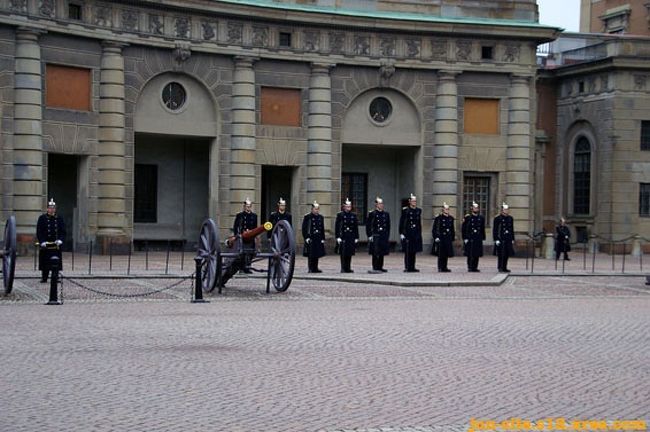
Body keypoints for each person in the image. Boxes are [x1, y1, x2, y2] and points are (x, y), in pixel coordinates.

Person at [36, 198, 66, 283]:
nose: (52, 209)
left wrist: (60, 240)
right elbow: (39, 231)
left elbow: (63, 231)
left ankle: (55, 277)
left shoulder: (59, 218)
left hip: (55, 244)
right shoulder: (42, 218)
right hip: (46, 244)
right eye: (50, 208)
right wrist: (42, 241)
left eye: (53, 208)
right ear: (47, 209)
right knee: (45, 262)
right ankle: (44, 277)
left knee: (56, 262)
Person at [233, 197, 258, 273]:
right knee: (242, 252)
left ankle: (248, 267)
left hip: (251, 236)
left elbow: (255, 227)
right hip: (242, 236)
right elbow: (236, 226)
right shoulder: (240, 215)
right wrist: (236, 235)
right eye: (247, 206)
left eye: (249, 206)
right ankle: (241, 268)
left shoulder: (254, 216)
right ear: (244, 207)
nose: (248, 208)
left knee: (251, 252)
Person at [399, 193, 423, 272]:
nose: (414, 203)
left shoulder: (418, 211)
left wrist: (419, 233)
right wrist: (401, 233)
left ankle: (413, 266)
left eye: (415, 201)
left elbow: (418, 223)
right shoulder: (406, 210)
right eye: (413, 201)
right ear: (409, 202)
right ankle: (407, 267)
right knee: (408, 251)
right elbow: (402, 222)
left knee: (414, 251)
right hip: (408, 232)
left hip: (415, 233)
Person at [366, 196, 390, 273]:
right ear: (376, 204)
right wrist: (369, 235)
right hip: (376, 235)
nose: (381, 205)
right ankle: (375, 267)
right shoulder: (372, 214)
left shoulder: (386, 214)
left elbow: (388, 226)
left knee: (382, 251)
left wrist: (387, 235)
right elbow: (369, 225)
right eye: (380, 203)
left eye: (382, 203)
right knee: (375, 252)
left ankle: (380, 266)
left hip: (383, 234)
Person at [335, 198, 359, 273]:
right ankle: (343, 268)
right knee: (343, 253)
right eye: (347, 206)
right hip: (343, 235)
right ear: (344, 207)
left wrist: (356, 237)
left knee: (349, 252)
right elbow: (337, 226)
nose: (349, 207)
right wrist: (338, 236)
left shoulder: (353, 215)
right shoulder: (340, 215)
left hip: (351, 235)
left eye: (350, 206)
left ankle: (348, 268)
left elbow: (355, 227)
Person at [302, 201, 326, 273]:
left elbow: (322, 228)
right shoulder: (308, 217)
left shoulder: (320, 217)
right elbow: (304, 228)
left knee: (317, 253)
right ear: (312, 209)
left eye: (318, 209)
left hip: (318, 237)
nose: (316, 210)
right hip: (311, 237)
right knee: (311, 254)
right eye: (315, 209)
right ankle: (310, 268)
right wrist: (306, 237)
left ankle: (315, 268)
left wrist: (323, 238)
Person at [461, 201, 486, 272]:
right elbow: (464, 228)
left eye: (477, 208)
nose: (476, 209)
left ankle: (475, 267)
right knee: (470, 254)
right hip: (470, 238)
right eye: (475, 208)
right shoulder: (468, 217)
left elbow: (482, 228)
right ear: (472, 208)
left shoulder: (481, 218)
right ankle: (470, 267)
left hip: (477, 238)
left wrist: (483, 237)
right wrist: (465, 238)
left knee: (477, 253)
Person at [432, 202, 455, 272]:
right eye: (445, 209)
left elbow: (452, 229)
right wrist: (436, 237)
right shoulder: (439, 218)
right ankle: (440, 267)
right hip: (441, 238)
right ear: (443, 210)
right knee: (441, 254)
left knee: (446, 253)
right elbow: (435, 228)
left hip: (448, 238)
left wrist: (453, 237)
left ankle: (445, 267)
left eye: (448, 209)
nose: (447, 210)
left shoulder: (451, 218)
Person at [493, 202, 515, 273]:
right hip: (501, 238)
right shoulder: (497, 218)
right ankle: (500, 267)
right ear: (502, 210)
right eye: (505, 209)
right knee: (501, 254)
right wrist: (496, 239)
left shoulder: (510, 218)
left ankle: (505, 267)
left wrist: (512, 238)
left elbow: (512, 229)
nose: (506, 211)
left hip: (508, 238)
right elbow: (495, 229)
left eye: (507, 209)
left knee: (507, 254)